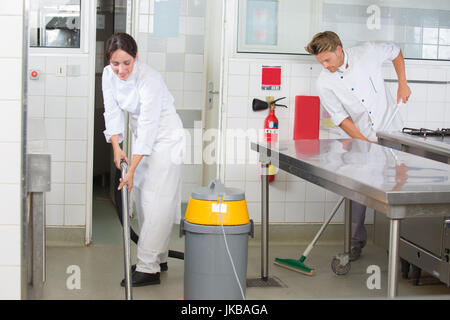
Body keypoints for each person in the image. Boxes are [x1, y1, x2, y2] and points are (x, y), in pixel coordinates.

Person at [305, 31, 411, 260]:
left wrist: (403, 83)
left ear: (339, 49)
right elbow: (340, 118)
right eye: (320, 62)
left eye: (327, 60)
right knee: (358, 192)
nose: (325, 66)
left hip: (392, 130)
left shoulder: (368, 52)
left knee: (398, 187)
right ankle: (354, 243)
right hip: (363, 137)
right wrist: (365, 142)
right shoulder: (324, 82)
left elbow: (396, 51)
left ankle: (403, 246)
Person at [102, 33, 185, 286]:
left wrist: (131, 169)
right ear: (109, 61)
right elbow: (112, 111)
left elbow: (149, 124)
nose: (121, 69)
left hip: (166, 138)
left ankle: (148, 269)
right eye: (116, 63)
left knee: (157, 200)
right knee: (143, 199)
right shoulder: (108, 75)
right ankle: (159, 257)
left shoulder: (149, 79)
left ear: (136, 57)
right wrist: (117, 147)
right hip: (143, 140)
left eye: (127, 63)